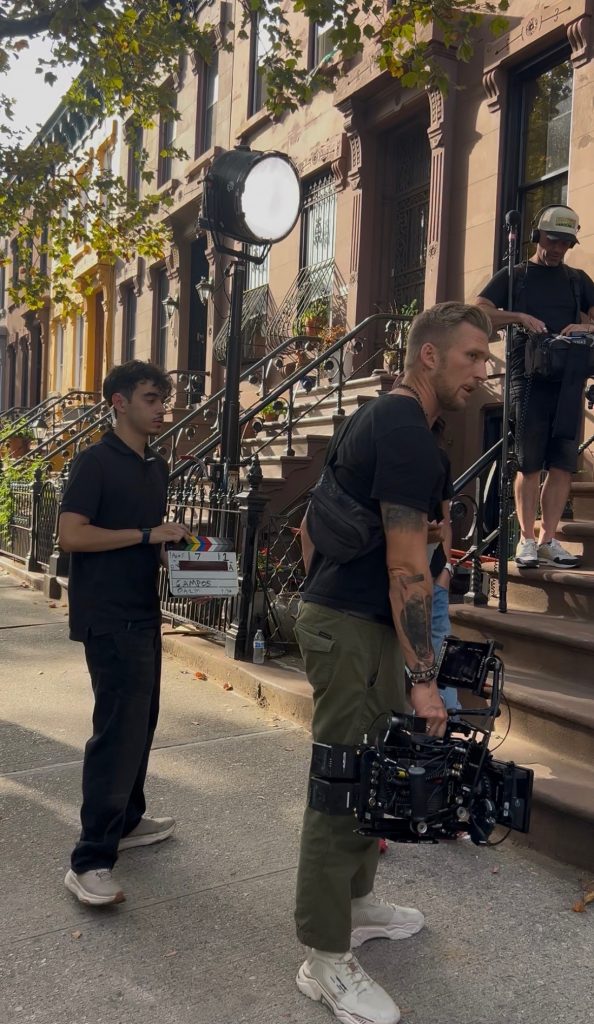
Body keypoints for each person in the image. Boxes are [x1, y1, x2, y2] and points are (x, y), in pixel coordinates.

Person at [295, 302, 491, 1024]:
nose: (484, 372)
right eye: (473, 356)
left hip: (353, 623)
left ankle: (359, 903)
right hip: (353, 628)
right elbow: (408, 571)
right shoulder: (408, 434)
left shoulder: (384, 418)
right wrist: (422, 680)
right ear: (430, 357)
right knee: (343, 787)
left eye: (487, 358)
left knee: (370, 776)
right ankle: (322, 957)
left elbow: (316, 526)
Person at [58, 360, 189, 907]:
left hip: (142, 610)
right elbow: (71, 536)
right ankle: (90, 860)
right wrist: (145, 533)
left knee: (142, 721)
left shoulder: (154, 466)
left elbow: (143, 542)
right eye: (152, 399)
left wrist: (179, 555)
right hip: (107, 615)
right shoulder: (94, 462)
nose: (163, 408)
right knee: (116, 731)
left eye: (163, 399)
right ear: (119, 402)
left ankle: (128, 820)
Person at [476, 204, 594, 569]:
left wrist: (586, 328)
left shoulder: (578, 280)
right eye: (553, 239)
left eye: (566, 242)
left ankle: (547, 541)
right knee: (529, 465)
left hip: (569, 379)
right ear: (537, 236)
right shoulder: (516, 275)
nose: (559, 248)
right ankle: (526, 540)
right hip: (526, 381)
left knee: (561, 466)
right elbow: (478, 311)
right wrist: (518, 317)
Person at [429, 419, 460, 713]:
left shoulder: (438, 460)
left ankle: (445, 729)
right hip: (397, 578)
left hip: (433, 574)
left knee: (440, 658)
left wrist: (446, 570)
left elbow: (445, 520)